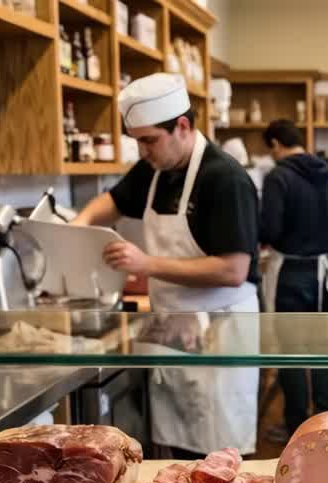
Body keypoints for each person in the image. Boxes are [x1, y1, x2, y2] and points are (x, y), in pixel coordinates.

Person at [72, 73, 260, 459]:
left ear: (183, 126)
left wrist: (147, 263)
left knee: (218, 452)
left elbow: (233, 269)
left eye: (149, 140)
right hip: (172, 329)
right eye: (137, 141)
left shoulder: (225, 178)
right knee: (174, 450)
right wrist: (75, 228)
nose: (143, 151)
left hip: (220, 330)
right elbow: (112, 200)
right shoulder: (155, 170)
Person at [258, 119, 328, 440]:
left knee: (291, 348)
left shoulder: (278, 177)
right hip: (324, 269)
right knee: (321, 345)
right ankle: (327, 418)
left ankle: (297, 423)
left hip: (291, 271)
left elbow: (269, 231)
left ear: (275, 145)